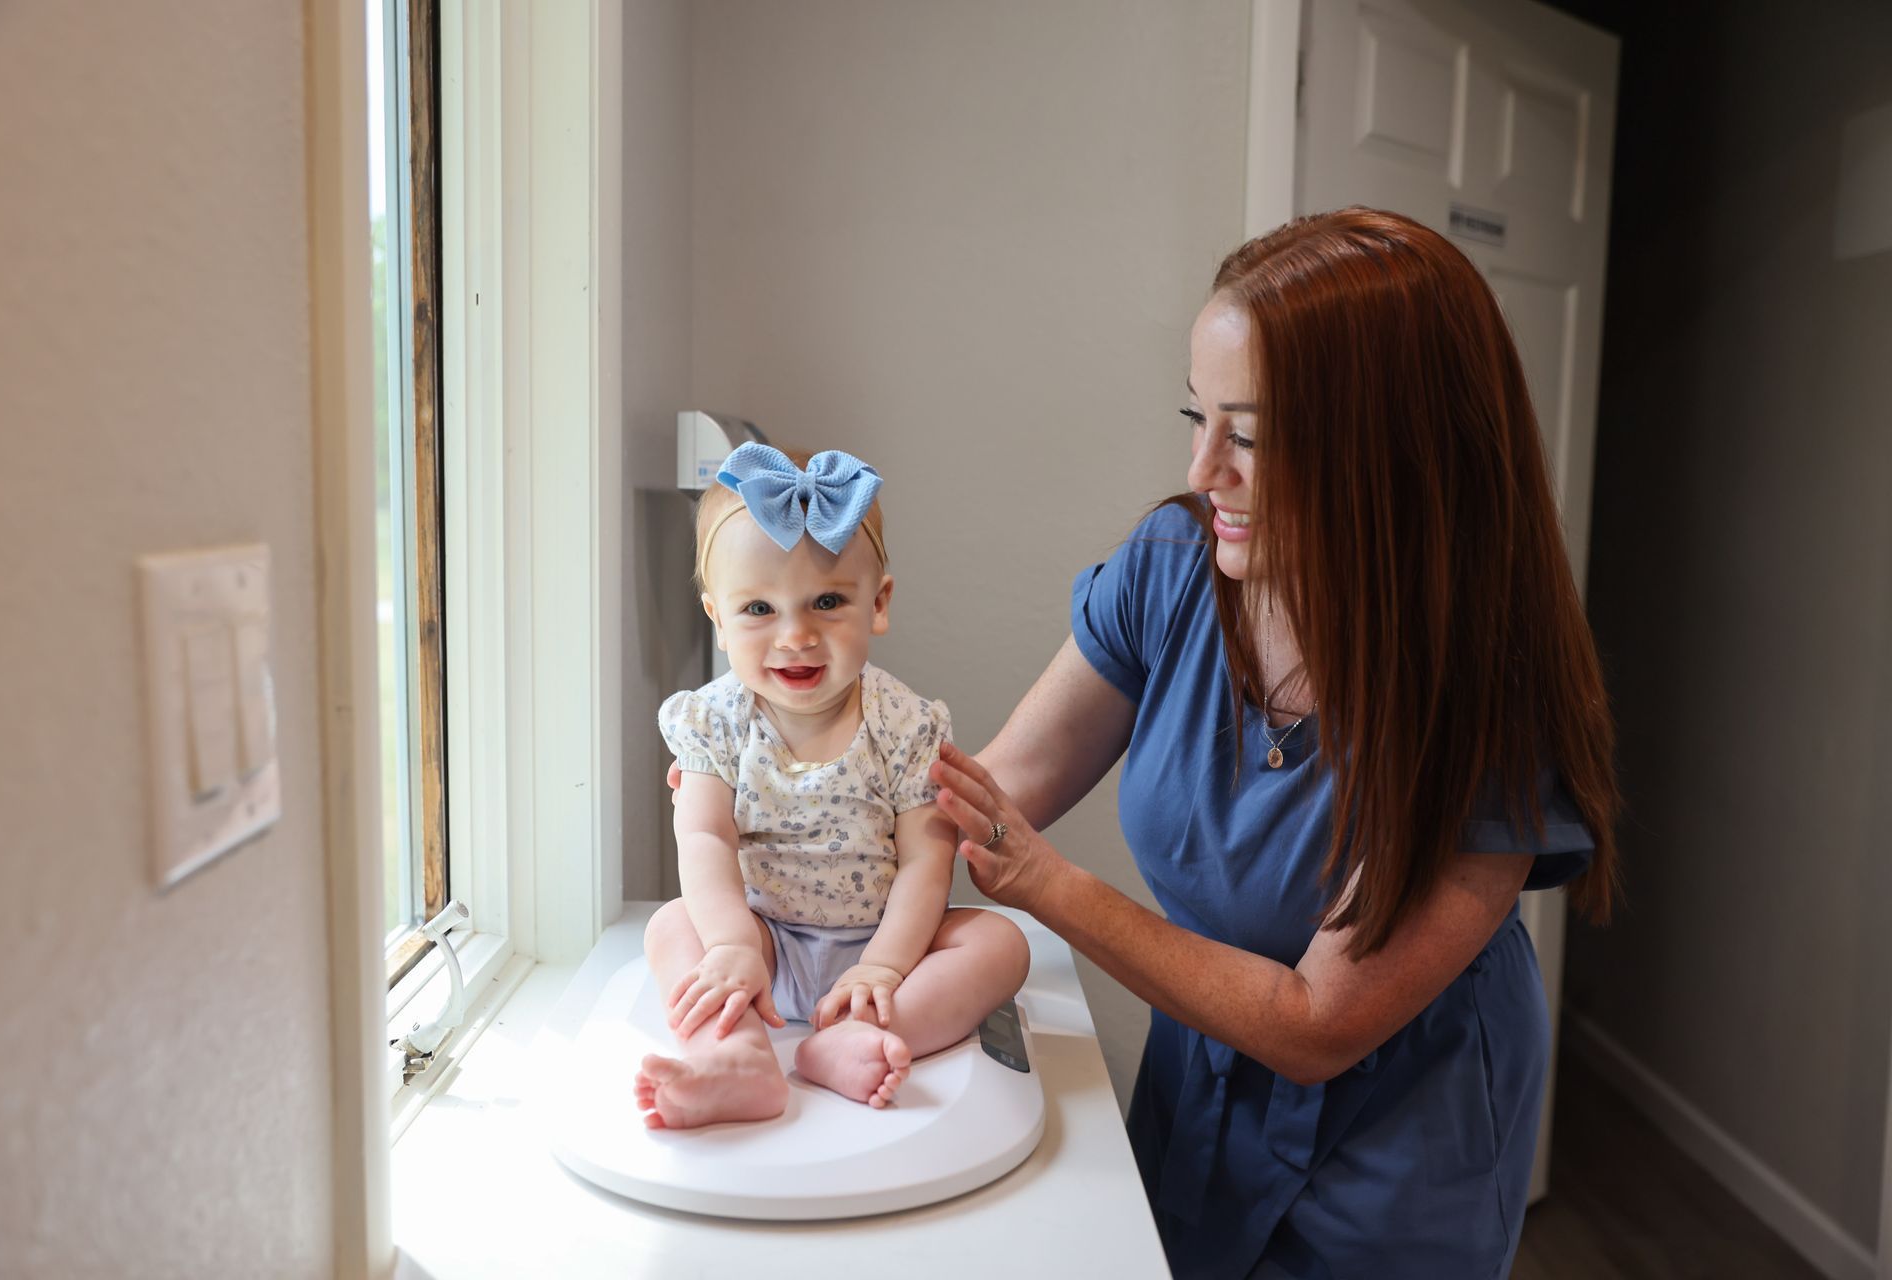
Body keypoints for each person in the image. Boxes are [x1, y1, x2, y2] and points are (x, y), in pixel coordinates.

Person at [928, 208, 1620, 1278]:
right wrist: (791, 844)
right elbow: (983, 792)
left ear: (1393, 451)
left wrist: (1049, 886)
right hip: (1202, 1078)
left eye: (1248, 434)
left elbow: (1315, 1022)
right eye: (1196, 418)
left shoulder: (1485, 696)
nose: (1205, 472)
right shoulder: (1174, 564)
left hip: (1392, 1151)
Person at [635, 442, 1030, 1130]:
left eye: (825, 602)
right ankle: (736, 1054)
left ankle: (853, 1036)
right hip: (761, 945)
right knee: (671, 926)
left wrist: (881, 969)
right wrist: (730, 943)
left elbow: (923, 864)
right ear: (717, 620)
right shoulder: (713, 722)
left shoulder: (905, 724)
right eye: (758, 608)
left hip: (886, 950)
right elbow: (703, 836)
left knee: (1001, 945)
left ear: (877, 604)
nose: (796, 635)